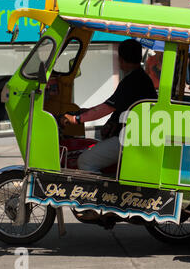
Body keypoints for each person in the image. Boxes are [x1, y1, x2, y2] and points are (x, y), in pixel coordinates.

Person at [61, 39, 157, 173]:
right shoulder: (139, 78)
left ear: (121, 58)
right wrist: (84, 112)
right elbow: (113, 104)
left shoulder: (133, 80)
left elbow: (107, 108)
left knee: (85, 160)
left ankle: (96, 194)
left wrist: (77, 119)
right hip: (135, 135)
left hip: (129, 138)